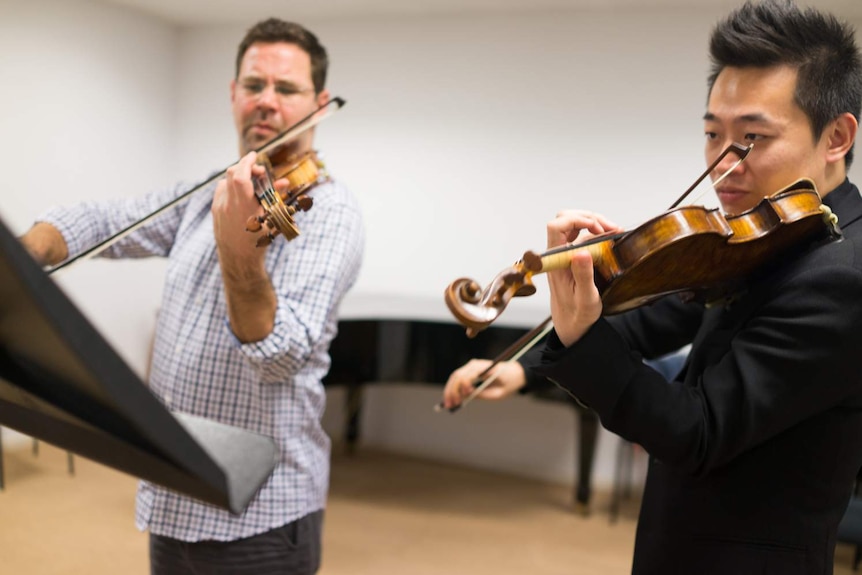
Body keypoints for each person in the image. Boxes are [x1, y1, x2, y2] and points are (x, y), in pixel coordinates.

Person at [443, 1, 862, 573]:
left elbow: (699, 431)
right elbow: (663, 315)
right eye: (713, 134)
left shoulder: (842, 276)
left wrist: (583, 340)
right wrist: (525, 364)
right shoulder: (776, 233)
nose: (722, 166)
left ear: (836, 136)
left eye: (752, 139)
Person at [20, 18, 363, 575]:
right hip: (176, 492)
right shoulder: (216, 188)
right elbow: (108, 219)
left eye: (287, 89)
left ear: (320, 103)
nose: (266, 103)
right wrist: (26, 252)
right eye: (254, 86)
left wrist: (241, 255)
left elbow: (278, 356)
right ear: (233, 95)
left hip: (261, 512)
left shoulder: (328, 213)